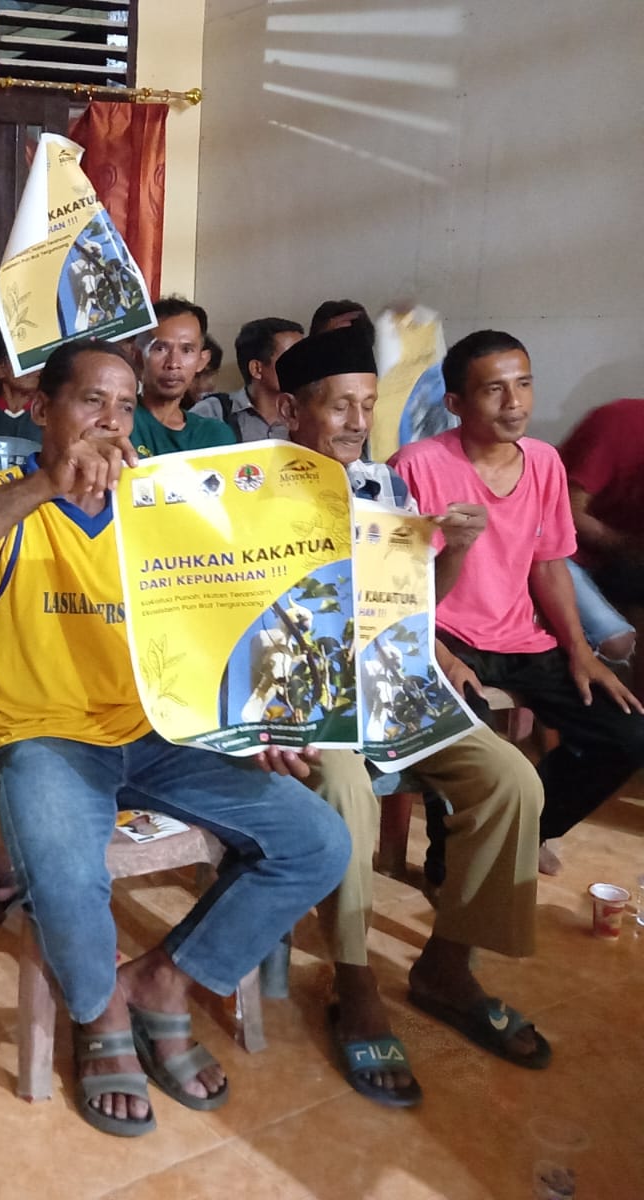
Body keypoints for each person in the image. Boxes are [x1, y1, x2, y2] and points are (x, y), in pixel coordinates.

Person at [0, 339, 350, 1137]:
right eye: (91, 401)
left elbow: (218, 629)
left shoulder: (161, 510)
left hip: (163, 733)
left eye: (124, 404)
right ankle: (101, 1008)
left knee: (317, 841)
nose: (111, 421)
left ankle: (164, 981)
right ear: (41, 409)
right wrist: (46, 484)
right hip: (43, 741)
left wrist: (255, 722)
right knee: (65, 870)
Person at [273, 327, 547, 1104]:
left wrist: (450, 549)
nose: (358, 422)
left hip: (389, 681)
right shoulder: (251, 489)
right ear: (292, 408)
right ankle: (353, 978)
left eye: (368, 404)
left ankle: (447, 965)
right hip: (299, 691)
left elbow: (415, 601)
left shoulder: (381, 486)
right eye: (340, 406)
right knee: (346, 789)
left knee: (511, 781)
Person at [390, 331, 644, 873]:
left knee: (627, 734)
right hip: (443, 635)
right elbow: (392, 585)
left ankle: (525, 832)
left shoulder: (544, 462)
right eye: (494, 390)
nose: (514, 403)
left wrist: (580, 650)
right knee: (471, 748)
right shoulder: (414, 466)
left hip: (521, 636)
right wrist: (438, 653)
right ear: (455, 403)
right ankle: (449, 868)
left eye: (523, 384)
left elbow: (548, 565)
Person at [559, 397, 643, 664]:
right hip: (558, 549)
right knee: (617, 640)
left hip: (619, 559)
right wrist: (624, 544)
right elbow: (566, 513)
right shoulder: (620, 423)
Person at [130, 298, 236, 457]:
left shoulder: (215, 437)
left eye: (187, 350)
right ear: (137, 357)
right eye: (160, 348)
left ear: (202, 360)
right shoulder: (116, 422)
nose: (173, 363)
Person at [191, 317, 305, 442]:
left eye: (303, 358)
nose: (302, 366)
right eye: (290, 359)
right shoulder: (213, 413)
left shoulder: (307, 416)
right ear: (256, 369)